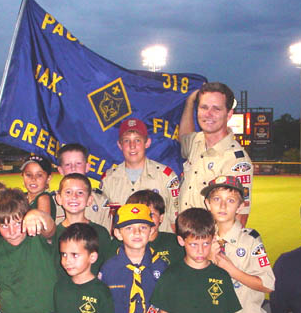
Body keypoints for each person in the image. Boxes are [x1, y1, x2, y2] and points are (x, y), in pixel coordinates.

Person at [151, 208, 242, 313]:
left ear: (213, 239)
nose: (200, 250)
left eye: (206, 243)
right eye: (193, 244)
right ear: (181, 240)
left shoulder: (221, 276)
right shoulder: (171, 275)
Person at [202, 176, 275, 313]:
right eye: (217, 199)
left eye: (231, 200)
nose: (223, 205)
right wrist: (205, 259)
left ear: (240, 206)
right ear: (208, 203)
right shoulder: (201, 240)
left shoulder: (251, 240)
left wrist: (229, 268)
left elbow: (268, 284)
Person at [99, 203, 169, 313]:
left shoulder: (162, 268)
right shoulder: (108, 270)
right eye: (129, 228)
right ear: (117, 233)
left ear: (152, 231)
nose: (137, 233)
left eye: (143, 227)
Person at [178, 82, 253, 226]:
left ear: (229, 114)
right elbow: (184, 136)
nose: (208, 114)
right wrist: (189, 103)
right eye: (203, 107)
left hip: (207, 245)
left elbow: (239, 218)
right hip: (186, 241)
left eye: (216, 109)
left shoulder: (237, 161)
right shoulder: (196, 141)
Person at [100, 118, 179, 233]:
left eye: (137, 140)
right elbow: (105, 222)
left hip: (160, 247)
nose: (132, 146)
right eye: (127, 141)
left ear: (147, 143)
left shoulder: (166, 177)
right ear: (119, 144)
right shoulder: (109, 179)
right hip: (123, 247)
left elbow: (175, 222)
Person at [54, 173, 114, 277]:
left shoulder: (101, 233)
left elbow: (109, 269)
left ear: (89, 200)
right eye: (68, 192)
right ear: (59, 199)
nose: (74, 197)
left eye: (80, 193)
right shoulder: (53, 234)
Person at [110, 189, 185, 266]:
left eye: (150, 215)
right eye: (139, 216)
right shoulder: (116, 245)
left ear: (161, 218)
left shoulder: (175, 243)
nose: (146, 220)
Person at [56, 143, 111, 229]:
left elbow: (106, 236)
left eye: (78, 163)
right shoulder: (52, 202)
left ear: (87, 167)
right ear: (60, 170)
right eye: (67, 165)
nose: (73, 168)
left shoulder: (100, 201)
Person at [21, 154, 56, 220]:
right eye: (28, 175)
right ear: (23, 176)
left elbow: (41, 226)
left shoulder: (43, 198)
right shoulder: (22, 197)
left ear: (48, 178)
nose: (33, 179)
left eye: (39, 175)